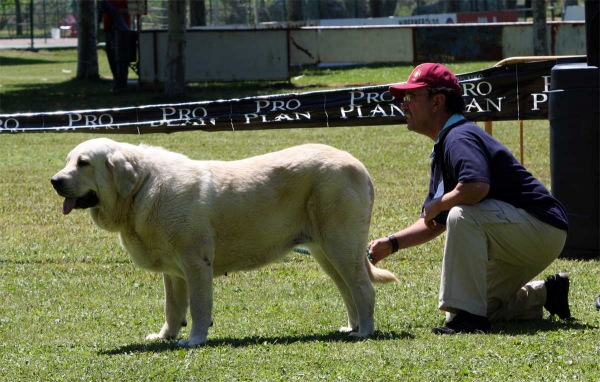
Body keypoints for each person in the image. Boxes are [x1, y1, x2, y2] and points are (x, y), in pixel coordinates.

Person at [368, 63, 570, 334]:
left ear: (438, 101)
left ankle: (471, 321)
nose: (404, 105)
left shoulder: (458, 136)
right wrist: (391, 244)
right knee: (475, 303)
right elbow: (434, 222)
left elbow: (476, 187)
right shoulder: (447, 142)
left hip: (540, 226)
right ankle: (545, 294)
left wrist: (438, 204)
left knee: (461, 216)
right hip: (534, 233)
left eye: (412, 97)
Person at [99, 0, 131, 92]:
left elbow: (131, 9)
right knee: (113, 57)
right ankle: (118, 82)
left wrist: (117, 11)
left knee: (120, 58)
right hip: (110, 29)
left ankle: (121, 83)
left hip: (120, 30)